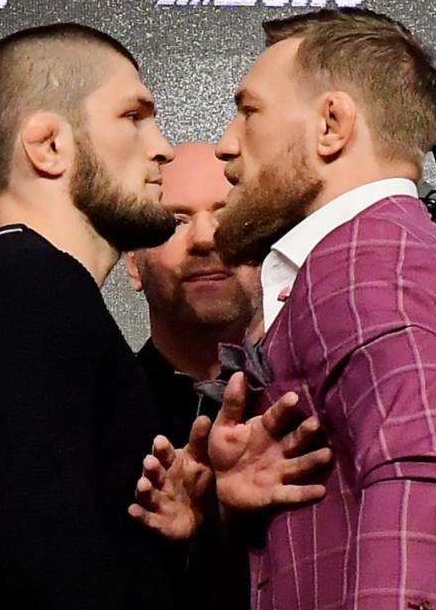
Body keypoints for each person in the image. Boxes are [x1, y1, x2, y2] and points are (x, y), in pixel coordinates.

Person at [210, 8, 436, 609]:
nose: (227, 144)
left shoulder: (366, 255)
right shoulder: (420, 254)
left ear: (332, 125)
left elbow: (421, 471)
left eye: (249, 111)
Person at [0, 22, 182, 609]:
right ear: (48, 145)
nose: (162, 146)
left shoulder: (27, 288)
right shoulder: (27, 290)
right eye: (133, 116)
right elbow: (45, 561)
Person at [125, 142, 259, 610]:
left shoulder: (315, 406)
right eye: (174, 223)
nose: (204, 237)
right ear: (131, 265)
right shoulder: (91, 417)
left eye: (226, 214)